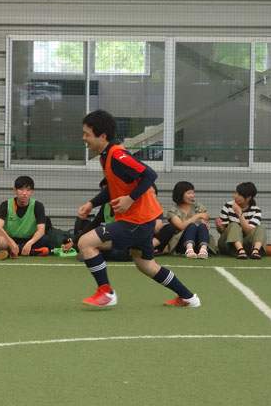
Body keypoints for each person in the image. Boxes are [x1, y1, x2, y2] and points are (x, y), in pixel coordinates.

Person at [75, 110, 200, 308]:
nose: (83, 138)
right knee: (146, 265)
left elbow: (150, 174)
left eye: (86, 134)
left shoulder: (117, 154)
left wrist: (130, 199)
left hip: (136, 220)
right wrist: (92, 203)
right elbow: (114, 188)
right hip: (141, 219)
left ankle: (106, 292)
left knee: (85, 243)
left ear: (102, 136)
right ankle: (189, 298)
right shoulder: (105, 157)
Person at [0, 176, 51, 256]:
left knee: (46, 239)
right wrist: (11, 242)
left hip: (30, 239)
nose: (24, 193)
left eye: (28, 190)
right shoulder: (5, 205)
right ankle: (31, 252)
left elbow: (41, 230)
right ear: (15, 190)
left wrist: (29, 243)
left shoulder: (38, 206)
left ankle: (15, 250)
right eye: (21, 189)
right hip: (9, 238)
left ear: (32, 192)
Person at [215, 182, 266, 260]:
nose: (236, 196)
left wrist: (240, 214)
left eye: (239, 195)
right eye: (236, 193)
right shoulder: (228, 206)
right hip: (228, 245)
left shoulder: (256, 210)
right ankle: (240, 250)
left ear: (248, 198)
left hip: (246, 245)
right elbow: (222, 231)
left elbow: (248, 231)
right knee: (234, 225)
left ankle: (255, 251)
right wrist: (219, 227)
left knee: (260, 228)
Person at [165, 181, 210, 259]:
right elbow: (181, 226)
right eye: (189, 193)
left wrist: (204, 223)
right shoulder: (173, 210)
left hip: (198, 241)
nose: (192, 196)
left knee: (202, 226)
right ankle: (189, 250)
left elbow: (204, 217)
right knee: (191, 226)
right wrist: (197, 216)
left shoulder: (197, 206)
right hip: (181, 243)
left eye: (193, 193)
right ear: (180, 194)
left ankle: (203, 250)